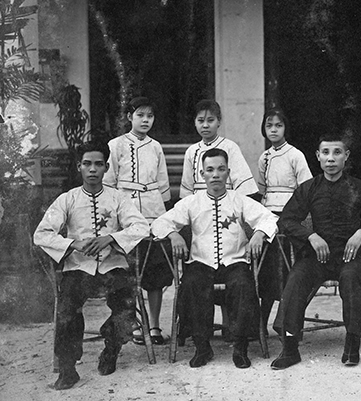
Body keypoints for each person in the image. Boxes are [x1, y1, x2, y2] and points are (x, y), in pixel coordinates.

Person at [271, 133, 361, 369]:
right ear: (317, 156)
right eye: (325, 153)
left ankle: (352, 341)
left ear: (346, 156)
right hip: (318, 257)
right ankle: (289, 347)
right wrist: (311, 236)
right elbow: (286, 220)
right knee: (296, 277)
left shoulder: (359, 187)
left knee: (349, 278)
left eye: (337, 152)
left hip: (350, 257)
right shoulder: (309, 188)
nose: (331, 159)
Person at [34, 142, 149, 390]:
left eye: (98, 164)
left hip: (112, 265)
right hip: (79, 268)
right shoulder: (68, 199)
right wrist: (72, 244)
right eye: (87, 164)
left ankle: (111, 347)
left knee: (127, 306)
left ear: (106, 167)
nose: (93, 169)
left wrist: (111, 238)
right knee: (66, 310)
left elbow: (141, 227)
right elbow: (41, 234)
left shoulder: (118, 198)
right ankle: (67, 368)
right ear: (79, 167)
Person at [152, 148, 278, 369]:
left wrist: (258, 234)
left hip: (234, 262)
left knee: (242, 284)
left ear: (228, 172)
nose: (216, 174)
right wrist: (173, 235)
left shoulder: (239, 200)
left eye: (221, 169)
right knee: (191, 284)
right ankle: (202, 347)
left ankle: (240, 347)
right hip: (201, 263)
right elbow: (160, 222)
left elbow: (269, 218)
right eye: (210, 170)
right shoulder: (193, 202)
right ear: (202, 174)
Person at [104, 96, 172, 346]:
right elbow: (108, 183)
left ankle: (153, 325)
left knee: (154, 268)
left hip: (153, 208)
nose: (145, 120)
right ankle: (133, 323)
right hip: (126, 209)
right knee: (128, 270)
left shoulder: (156, 147)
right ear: (129, 117)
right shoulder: (116, 145)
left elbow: (163, 184)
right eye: (140, 115)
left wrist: (161, 213)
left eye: (150, 116)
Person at [254, 109, 312, 332]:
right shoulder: (264, 157)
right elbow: (262, 190)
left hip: (291, 214)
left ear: (286, 128)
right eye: (269, 126)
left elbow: (306, 189)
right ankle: (261, 320)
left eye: (278, 125)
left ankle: (286, 319)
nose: (274, 130)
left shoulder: (295, 155)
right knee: (268, 270)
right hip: (269, 215)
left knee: (289, 269)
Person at [180, 99, 258, 199]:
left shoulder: (230, 147)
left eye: (210, 120)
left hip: (226, 204)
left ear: (219, 121)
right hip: (198, 205)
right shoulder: (191, 151)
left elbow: (243, 185)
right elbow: (187, 189)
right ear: (194, 122)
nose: (205, 125)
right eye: (200, 120)